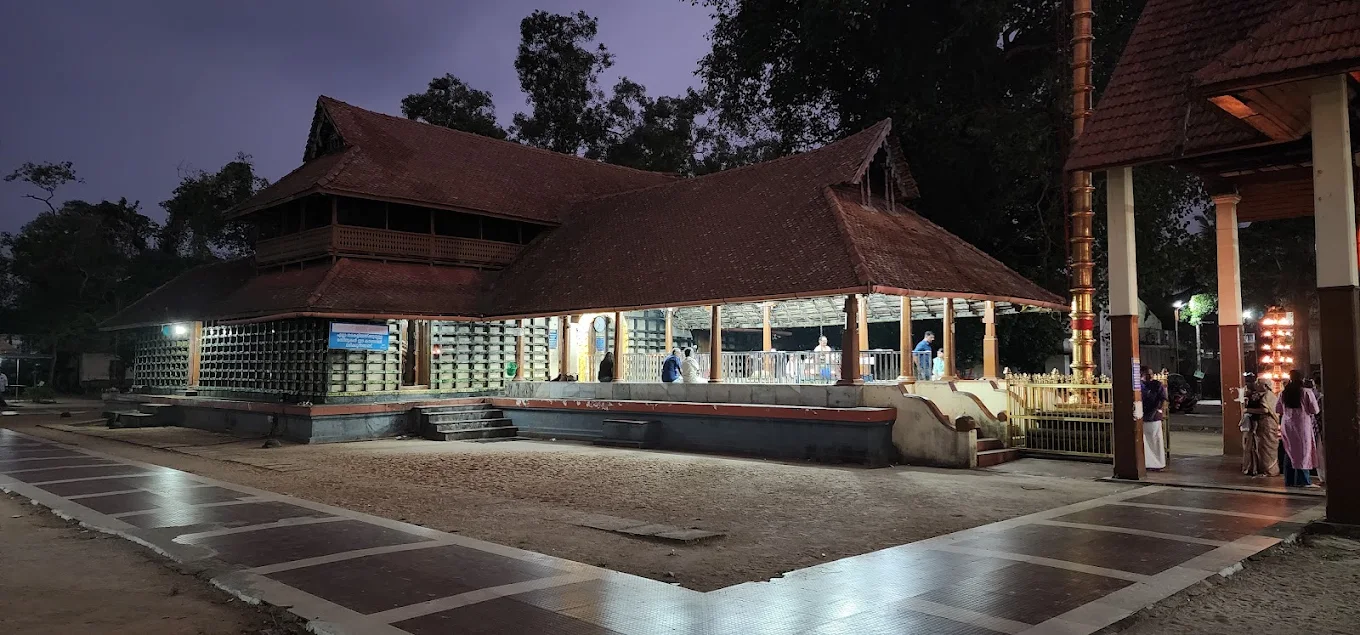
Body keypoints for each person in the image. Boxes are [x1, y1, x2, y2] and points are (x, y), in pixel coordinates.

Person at [1276, 369, 1321, 488]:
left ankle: (1289, 480)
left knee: (1289, 451)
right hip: (1302, 425)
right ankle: (1303, 480)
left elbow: (1278, 410)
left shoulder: (1283, 393)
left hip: (1287, 424)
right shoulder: (1306, 392)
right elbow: (1314, 410)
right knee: (1303, 452)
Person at [1242, 378, 1281, 477]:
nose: (1256, 384)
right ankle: (1260, 467)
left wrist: (1248, 410)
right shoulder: (1261, 395)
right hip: (1261, 424)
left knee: (1267, 447)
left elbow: (1265, 410)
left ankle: (1269, 469)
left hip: (1267, 424)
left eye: (1258, 383)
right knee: (1260, 447)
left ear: (1265, 386)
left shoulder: (1268, 396)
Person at [1140, 368, 1167, 470]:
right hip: (1143, 415)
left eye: (1151, 374)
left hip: (1154, 415)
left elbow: (1163, 399)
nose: (1150, 376)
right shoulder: (1140, 385)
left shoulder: (1157, 385)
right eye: (1147, 374)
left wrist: (1160, 410)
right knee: (1145, 441)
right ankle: (1148, 463)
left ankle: (1158, 463)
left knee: (1156, 440)